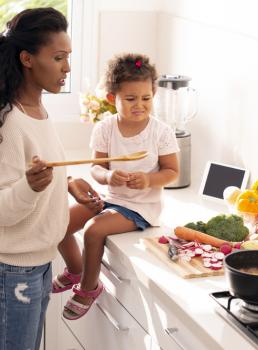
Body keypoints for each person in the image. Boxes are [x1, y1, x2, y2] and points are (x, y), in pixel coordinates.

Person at [0, 8, 103, 350]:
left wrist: (68, 182)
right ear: (27, 59)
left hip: (39, 265)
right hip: (13, 272)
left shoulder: (39, 111)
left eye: (68, 57)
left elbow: (34, 170)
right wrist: (31, 187)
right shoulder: (10, 123)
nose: (67, 68)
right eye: (58, 58)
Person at [53, 53, 180, 320]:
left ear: (153, 95)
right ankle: (76, 269)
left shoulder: (161, 132)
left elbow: (172, 173)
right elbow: (96, 168)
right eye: (130, 99)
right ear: (113, 99)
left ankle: (89, 288)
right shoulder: (105, 127)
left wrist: (148, 180)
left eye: (146, 98)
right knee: (58, 222)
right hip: (109, 198)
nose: (140, 105)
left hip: (140, 207)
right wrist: (108, 177)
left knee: (94, 229)